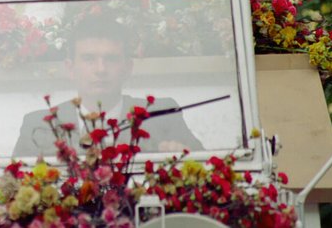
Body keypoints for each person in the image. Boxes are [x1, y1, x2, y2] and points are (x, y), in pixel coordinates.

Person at [12, 18, 203, 157]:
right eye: (89, 59)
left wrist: (183, 156)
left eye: (110, 59)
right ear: (71, 69)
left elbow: (207, 171)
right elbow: (12, 190)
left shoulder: (162, 114)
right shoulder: (38, 124)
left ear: (127, 68)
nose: (100, 69)